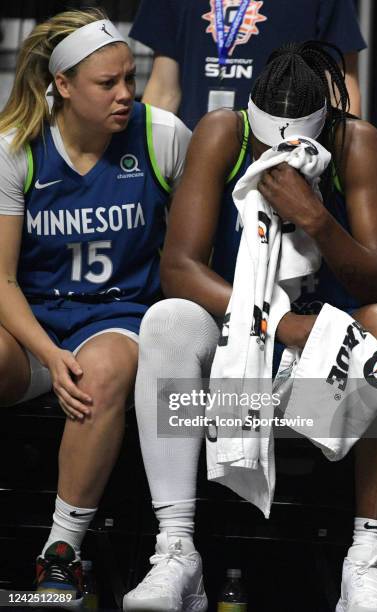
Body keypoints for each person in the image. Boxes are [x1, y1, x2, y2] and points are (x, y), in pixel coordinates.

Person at [124, 42, 377, 612]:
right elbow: (178, 268)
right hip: (232, 382)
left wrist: (316, 219)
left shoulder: (357, 143)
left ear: (321, 132)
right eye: (265, 150)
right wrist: (279, 324)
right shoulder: (222, 133)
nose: (277, 163)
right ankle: (177, 552)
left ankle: (365, 563)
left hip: (317, 394)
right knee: (168, 320)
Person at [0, 8, 190, 607]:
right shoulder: (17, 151)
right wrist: (47, 355)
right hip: (35, 322)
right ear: (62, 85)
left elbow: (191, 258)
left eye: (129, 79)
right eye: (107, 84)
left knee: (99, 373)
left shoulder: (162, 136)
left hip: (119, 316)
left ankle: (61, 555)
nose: (125, 95)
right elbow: (2, 278)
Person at [129, 0, 366, 129]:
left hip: (285, 153)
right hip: (195, 154)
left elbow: (340, 85)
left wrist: (344, 171)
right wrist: (148, 163)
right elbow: (164, 88)